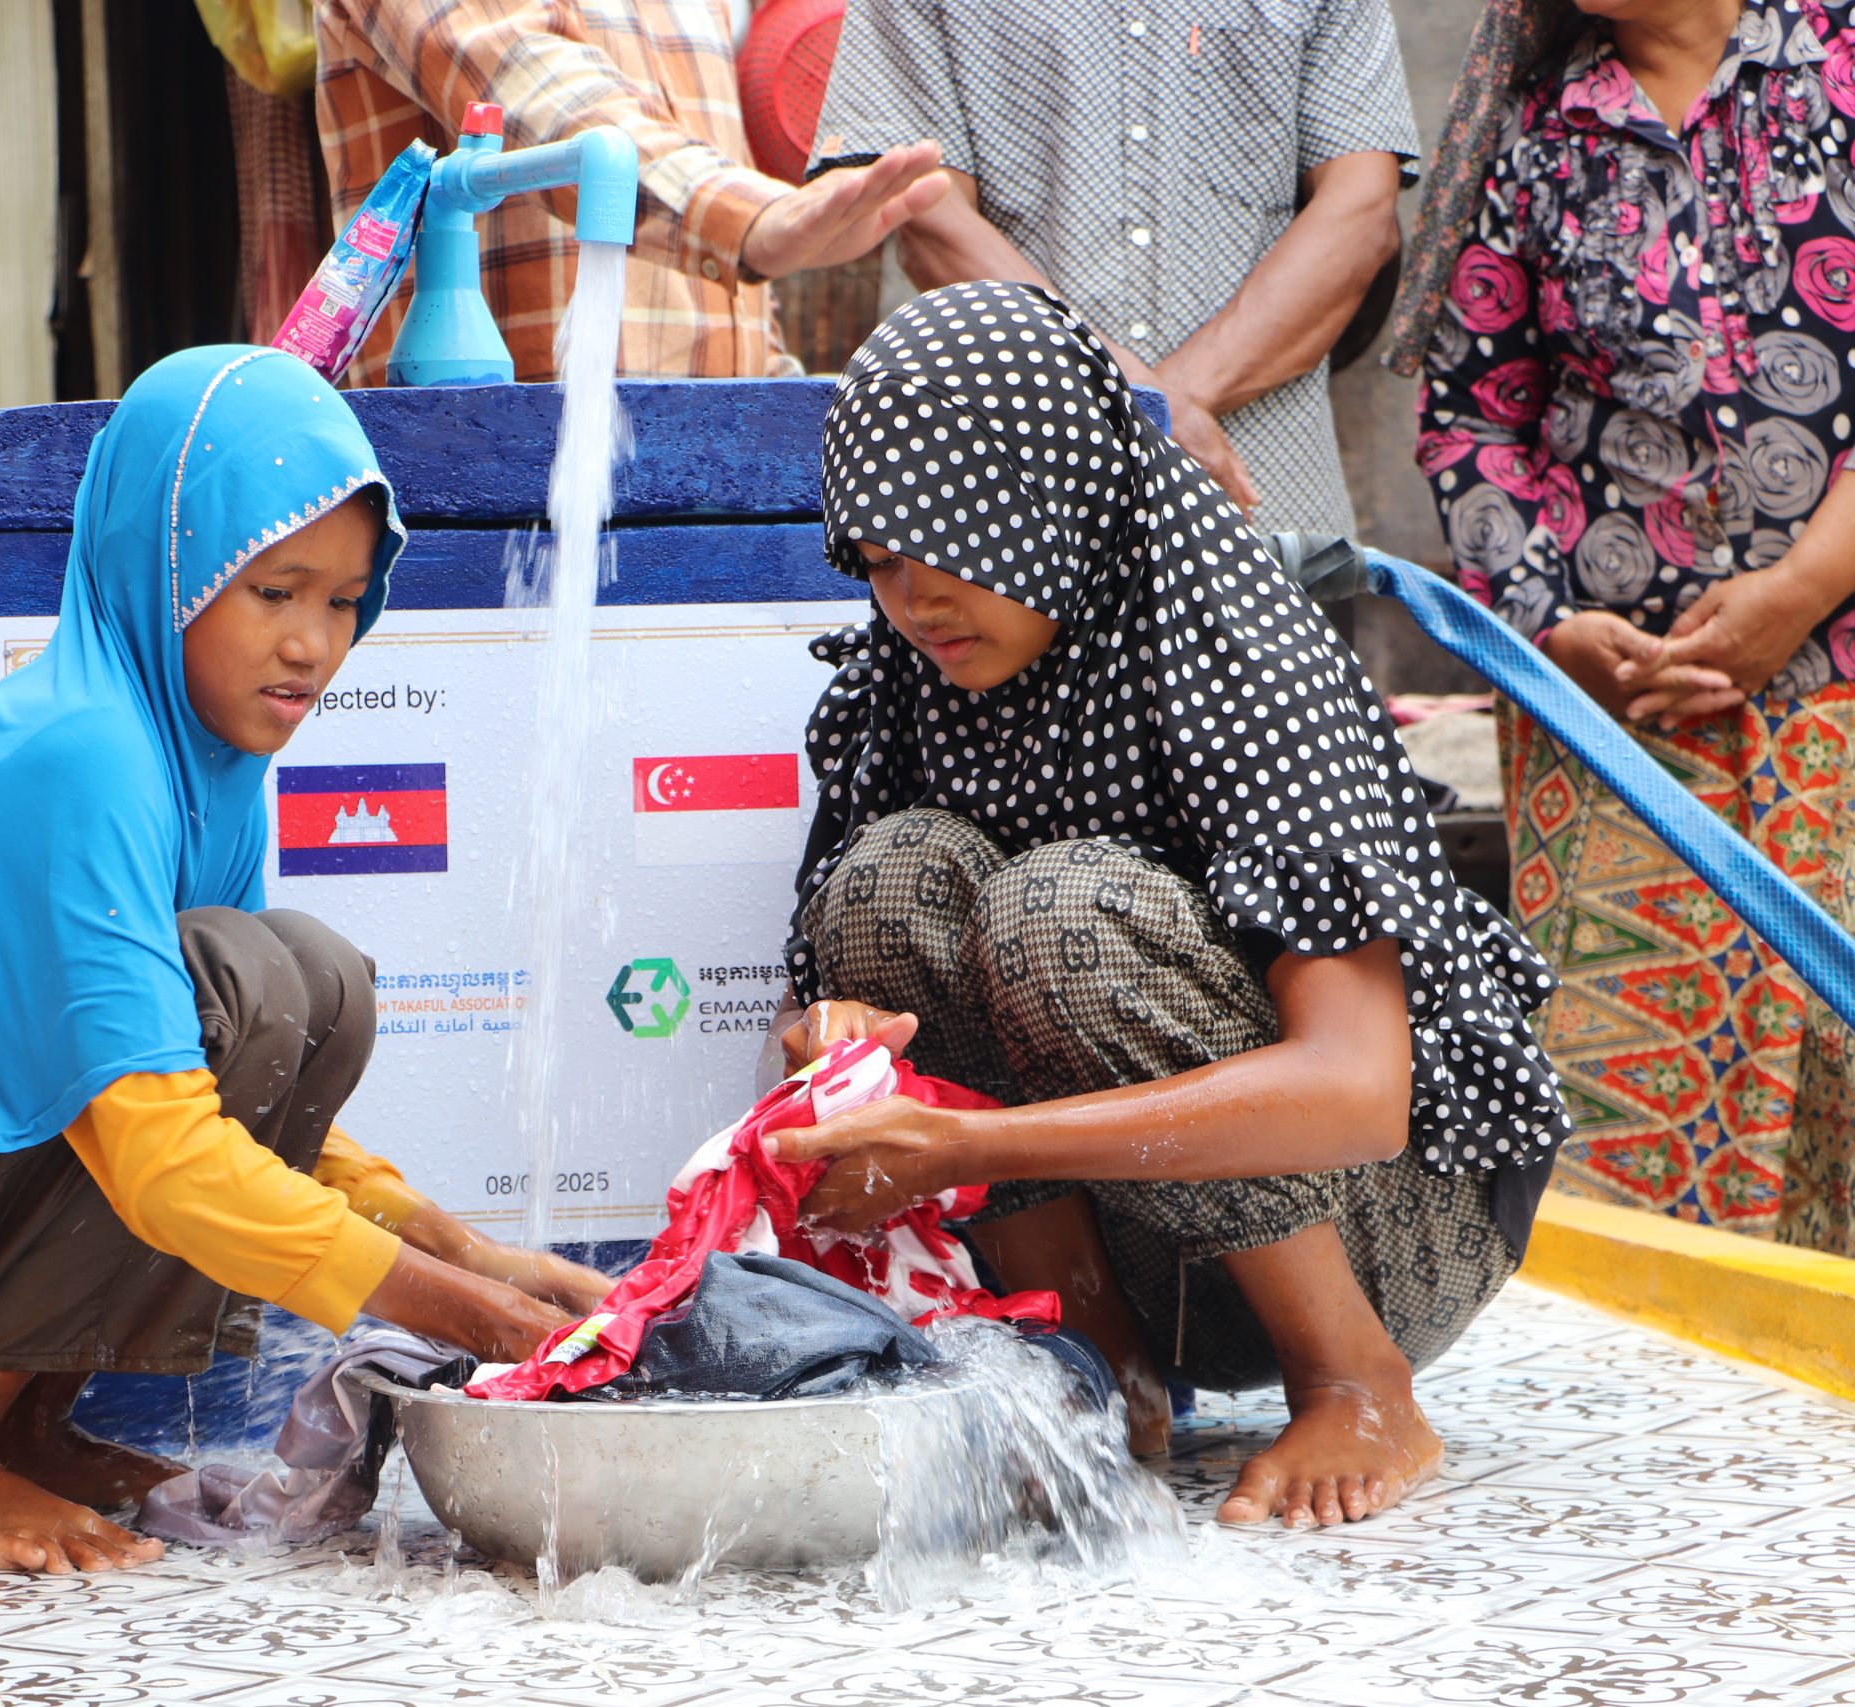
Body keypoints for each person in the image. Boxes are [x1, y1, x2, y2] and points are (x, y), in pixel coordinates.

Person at [0, 346, 608, 1572]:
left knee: (309, 991)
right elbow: (170, 1158)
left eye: (344, 602)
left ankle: (20, 1430)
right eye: (273, 591)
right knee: (262, 994)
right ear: (167, 566)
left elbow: (228, 1091)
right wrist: (480, 1321)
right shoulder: (84, 754)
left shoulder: (208, 768)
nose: (312, 644)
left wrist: (476, 1254)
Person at [768, 283, 1571, 1528]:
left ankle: (1356, 1386)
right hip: (1149, 1246)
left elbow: (1358, 1093)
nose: (913, 601)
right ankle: (1101, 1373)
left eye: (950, 552)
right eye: (877, 562)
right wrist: (846, 1048)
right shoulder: (906, 679)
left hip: (1390, 1217)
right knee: (885, 883)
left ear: (1054, 502)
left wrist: (972, 1146)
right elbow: (844, 962)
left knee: (1061, 914)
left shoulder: (1239, 653)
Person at [1394, 0, 1855, 1251]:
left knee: (1832, 1090)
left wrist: (1800, 590)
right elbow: (1469, 413)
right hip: (1612, 722)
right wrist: (1545, 630)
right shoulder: (1534, 123)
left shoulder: (1838, 59)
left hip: (1836, 683)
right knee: (1623, 1127)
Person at [807, 0, 1415, 531]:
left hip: (1273, 514)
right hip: (1018, 513)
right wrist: (1153, 409)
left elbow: (1361, 211)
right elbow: (930, 218)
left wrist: (1152, 411)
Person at [311, 0, 947, 383]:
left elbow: (706, 180)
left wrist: (771, 372)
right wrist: (750, 221)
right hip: (492, 484)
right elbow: (536, 91)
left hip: (709, 476)